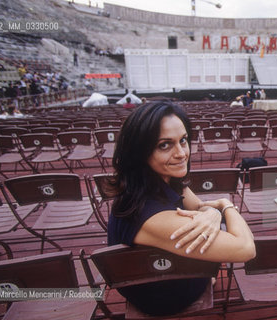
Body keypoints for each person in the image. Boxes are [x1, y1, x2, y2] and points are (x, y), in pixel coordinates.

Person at [108, 101, 255, 316]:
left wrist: (212, 213)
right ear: (139, 152)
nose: (181, 153)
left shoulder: (158, 180)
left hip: (156, 274)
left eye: (183, 141)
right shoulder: (150, 216)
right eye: (164, 145)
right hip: (163, 297)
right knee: (217, 246)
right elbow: (246, 248)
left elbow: (199, 206)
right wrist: (224, 204)